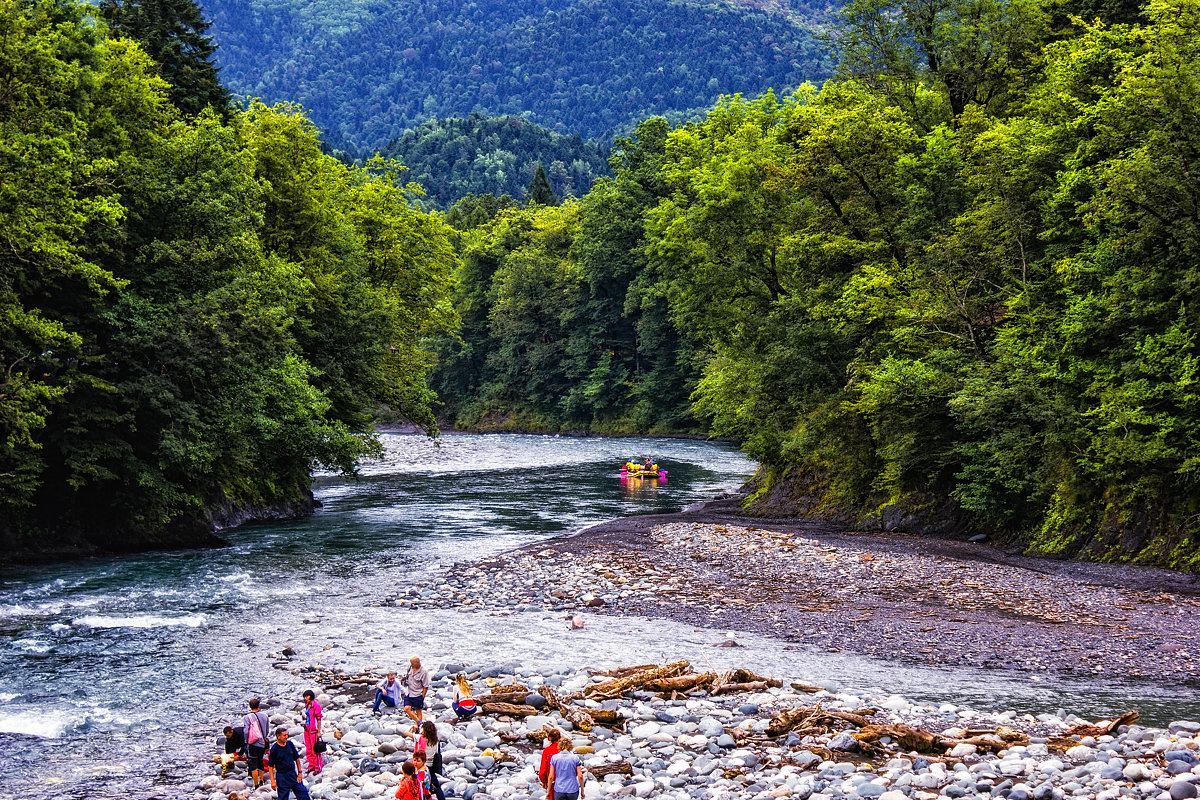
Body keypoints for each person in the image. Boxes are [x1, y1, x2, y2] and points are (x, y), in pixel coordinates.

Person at [268, 727, 311, 800]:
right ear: (278, 737)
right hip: (282, 777)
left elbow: (297, 758)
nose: (286, 737)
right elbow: (270, 766)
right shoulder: (274, 749)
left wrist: (300, 772)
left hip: (292, 774)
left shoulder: (290, 744)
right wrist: (273, 781)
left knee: (303, 793)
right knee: (283, 797)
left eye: (287, 735)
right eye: (284, 735)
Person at [411, 721, 446, 800]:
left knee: (420, 785)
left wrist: (413, 729)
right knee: (436, 786)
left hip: (422, 765)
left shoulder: (422, 738)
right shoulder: (436, 740)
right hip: (431, 764)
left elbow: (408, 734)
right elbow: (437, 752)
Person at [243, 698, 271, 788]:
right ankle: (262, 780)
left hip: (253, 743)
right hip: (262, 743)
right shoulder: (265, 716)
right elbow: (267, 730)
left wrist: (246, 741)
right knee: (260, 761)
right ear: (259, 706)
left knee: (253, 763)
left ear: (250, 706)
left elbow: (246, 731)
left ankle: (256, 784)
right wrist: (263, 737)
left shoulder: (247, 717)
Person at [402, 656, 430, 723]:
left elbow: (426, 686)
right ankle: (418, 722)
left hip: (418, 694)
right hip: (409, 692)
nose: (411, 665)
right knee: (406, 709)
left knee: (418, 711)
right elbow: (407, 676)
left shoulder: (424, 672)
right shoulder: (410, 668)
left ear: (417, 662)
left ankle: (418, 728)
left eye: (412, 663)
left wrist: (422, 696)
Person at [301, 689, 323, 774]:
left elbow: (318, 719)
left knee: (315, 749)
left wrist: (319, 731)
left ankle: (318, 767)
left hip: (313, 730)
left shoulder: (316, 706)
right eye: (305, 697)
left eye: (307, 696)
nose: (305, 698)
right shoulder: (307, 705)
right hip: (307, 728)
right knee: (309, 748)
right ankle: (311, 765)